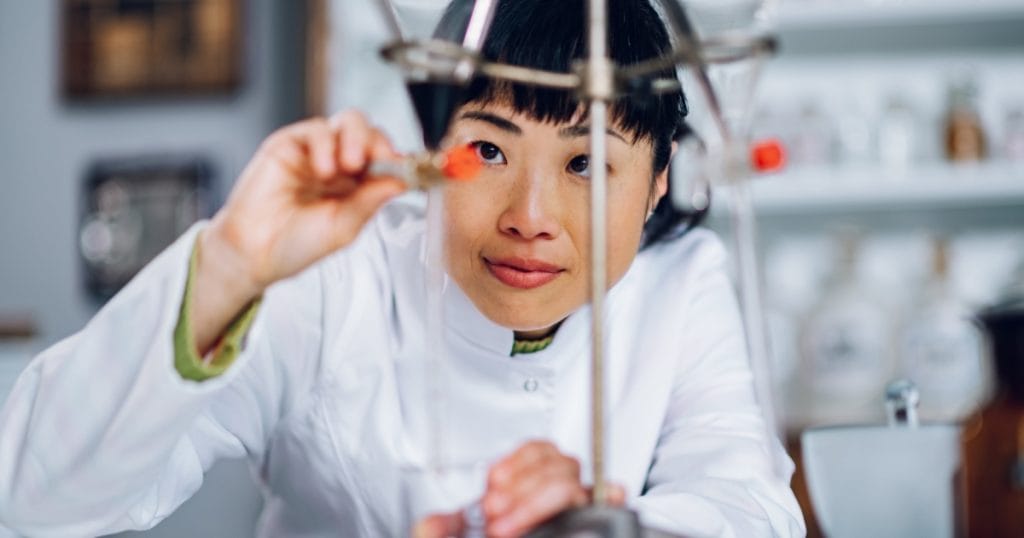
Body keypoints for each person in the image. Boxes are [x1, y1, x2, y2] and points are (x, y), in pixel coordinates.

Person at [0, 0, 805, 536]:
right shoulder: (331, 281)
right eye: (488, 150)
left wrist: (613, 531)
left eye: (587, 163)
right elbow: (32, 502)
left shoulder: (681, 282)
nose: (530, 217)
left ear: (660, 178)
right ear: (431, 149)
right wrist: (229, 267)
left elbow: (750, 506)